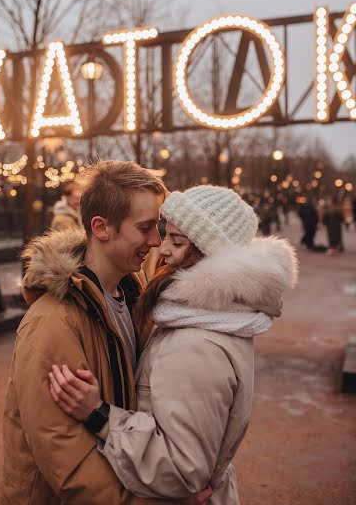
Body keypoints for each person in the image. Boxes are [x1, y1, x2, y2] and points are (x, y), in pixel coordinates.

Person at [49, 185, 298, 504]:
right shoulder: (210, 316)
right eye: (165, 234)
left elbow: (182, 469)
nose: (161, 247)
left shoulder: (195, 343)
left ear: (209, 254)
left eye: (176, 241)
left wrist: (100, 416)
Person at [1, 161, 210, 505]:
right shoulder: (52, 322)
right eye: (145, 228)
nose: (156, 241)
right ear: (101, 228)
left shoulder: (134, 298)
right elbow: (66, 458)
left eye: (157, 227)